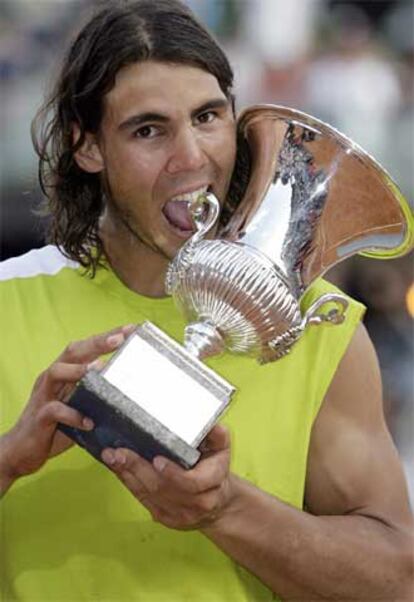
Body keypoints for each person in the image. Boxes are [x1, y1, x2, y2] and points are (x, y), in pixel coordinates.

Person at [0, 1, 412, 600]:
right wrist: (9, 459)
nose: (191, 157)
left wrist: (223, 509)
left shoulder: (320, 327)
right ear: (86, 147)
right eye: (149, 130)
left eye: (208, 117)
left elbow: (396, 580)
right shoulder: (7, 303)